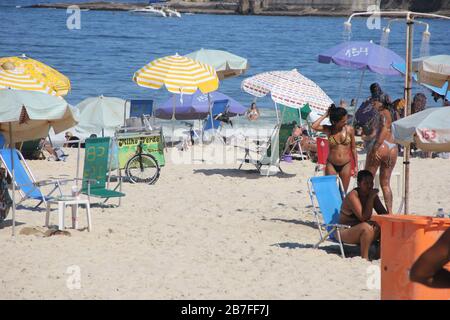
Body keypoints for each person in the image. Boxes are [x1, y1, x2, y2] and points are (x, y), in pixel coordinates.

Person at [338, 170, 388, 260]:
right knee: (366, 227)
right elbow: (363, 217)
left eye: (371, 183)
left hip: (359, 229)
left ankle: (377, 256)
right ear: (359, 184)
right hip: (344, 230)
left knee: (386, 225)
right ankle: (365, 258)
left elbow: (384, 214)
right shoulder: (352, 196)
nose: (369, 186)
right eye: (366, 183)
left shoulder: (371, 194)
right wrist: (371, 198)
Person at [311, 104, 357, 192]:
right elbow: (314, 126)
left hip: (346, 164)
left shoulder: (350, 130)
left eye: (346, 119)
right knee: (331, 191)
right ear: (336, 121)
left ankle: (341, 206)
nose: (346, 122)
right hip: (331, 164)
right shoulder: (329, 130)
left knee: (343, 192)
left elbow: (353, 148)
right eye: (343, 121)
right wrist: (325, 115)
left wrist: (356, 166)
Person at [364, 100, 398, 214]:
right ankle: (390, 212)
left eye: (374, 102)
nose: (372, 105)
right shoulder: (392, 112)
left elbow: (383, 128)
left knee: (367, 179)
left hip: (382, 146)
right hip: (392, 147)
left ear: (380, 103)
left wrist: (375, 146)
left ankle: (366, 209)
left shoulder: (382, 113)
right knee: (386, 183)